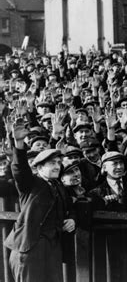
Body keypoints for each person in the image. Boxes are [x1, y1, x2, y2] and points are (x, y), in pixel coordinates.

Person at [4, 118, 76, 282]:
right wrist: (19, 143)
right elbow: (19, 169)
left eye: (58, 163)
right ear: (39, 168)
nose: (57, 166)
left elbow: (71, 207)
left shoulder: (59, 186)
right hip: (28, 249)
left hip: (52, 250)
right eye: (52, 163)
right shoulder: (30, 183)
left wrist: (72, 218)